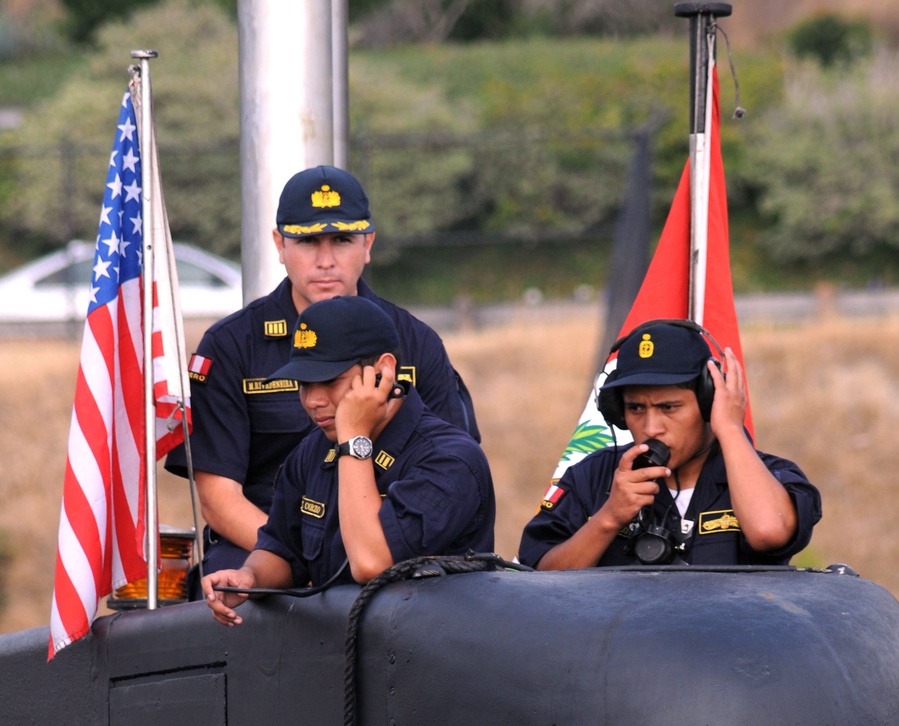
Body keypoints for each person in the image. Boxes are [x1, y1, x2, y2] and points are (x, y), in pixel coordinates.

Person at [167, 165, 479, 574]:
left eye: (342, 240)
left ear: (368, 243)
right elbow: (219, 499)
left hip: (396, 540)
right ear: (280, 245)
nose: (326, 260)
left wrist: (358, 551)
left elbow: (451, 473)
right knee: (235, 594)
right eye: (308, 241)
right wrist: (305, 559)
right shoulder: (230, 346)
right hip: (265, 543)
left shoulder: (417, 343)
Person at [203, 298, 494, 626]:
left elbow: (371, 563)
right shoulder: (312, 450)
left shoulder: (450, 459)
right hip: (341, 657)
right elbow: (284, 548)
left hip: (435, 658)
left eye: (329, 381)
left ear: (383, 371)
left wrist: (354, 438)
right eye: (303, 385)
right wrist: (249, 578)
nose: (313, 400)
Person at [518, 320, 820, 570]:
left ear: (708, 402)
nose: (651, 428)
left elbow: (769, 532)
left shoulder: (769, 475)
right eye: (636, 409)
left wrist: (729, 428)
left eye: (669, 408)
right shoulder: (591, 478)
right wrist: (609, 518)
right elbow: (544, 581)